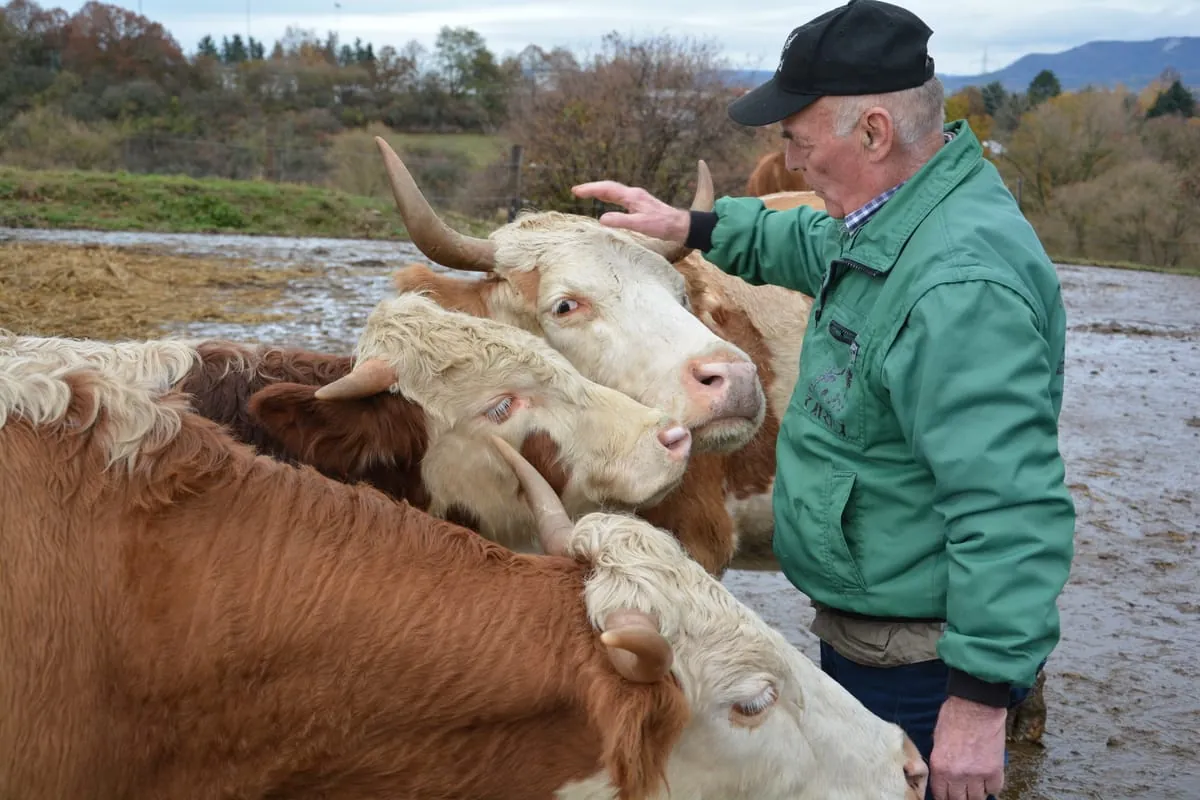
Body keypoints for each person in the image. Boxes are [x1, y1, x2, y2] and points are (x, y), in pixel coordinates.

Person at [571, 1, 1077, 799]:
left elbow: (1009, 506)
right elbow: (814, 245)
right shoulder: (905, 217)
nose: (793, 165)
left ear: (874, 132)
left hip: (922, 663)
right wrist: (691, 226)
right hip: (877, 632)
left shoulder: (960, 286)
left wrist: (977, 705)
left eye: (798, 143)